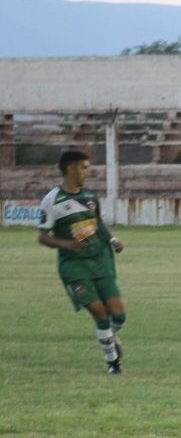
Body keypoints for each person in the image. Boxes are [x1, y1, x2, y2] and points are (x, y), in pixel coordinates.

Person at [37, 150, 127, 374]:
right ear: (70, 168)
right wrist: (67, 245)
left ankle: (111, 337)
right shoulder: (52, 200)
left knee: (119, 314)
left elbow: (98, 223)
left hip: (100, 261)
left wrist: (113, 239)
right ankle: (113, 363)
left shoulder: (89, 196)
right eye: (84, 167)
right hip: (74, 267)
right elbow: (43, 236)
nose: (88, 172)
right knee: (99, 312)